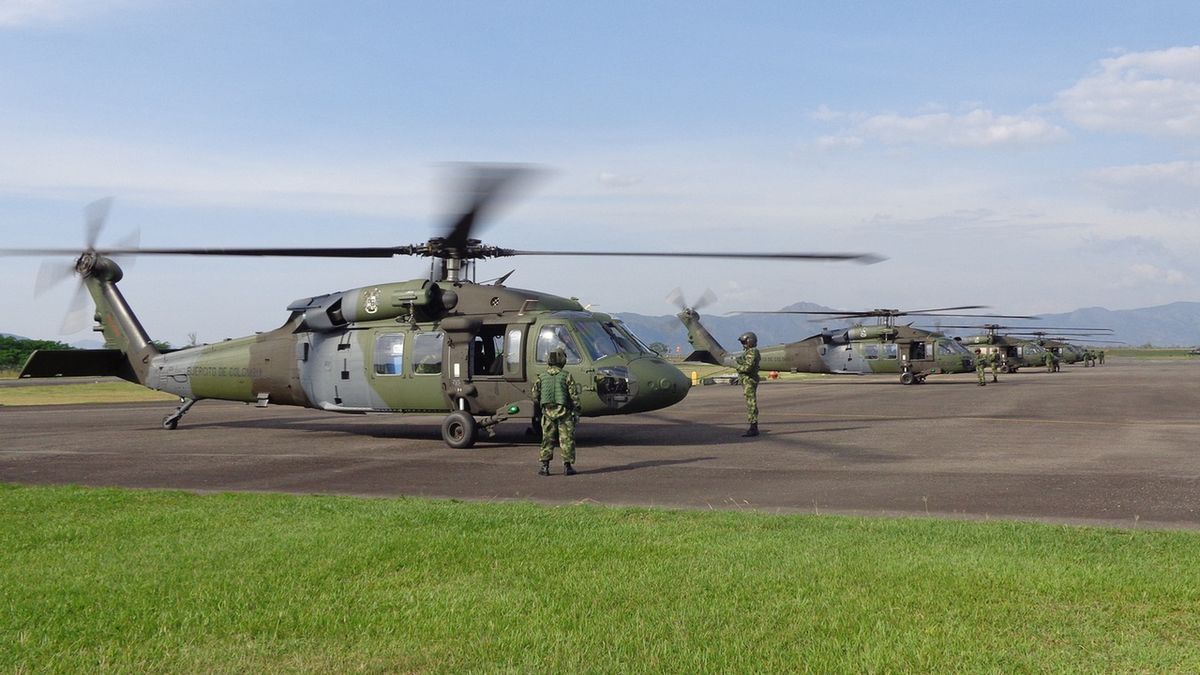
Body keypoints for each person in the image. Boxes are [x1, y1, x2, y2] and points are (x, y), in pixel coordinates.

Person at [531, 348, 582, 476]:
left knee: (547, 439)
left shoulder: (542, 377)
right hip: (564, 412)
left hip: (547, 413)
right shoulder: (566, 375)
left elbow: (535, 395)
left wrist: (543, 406)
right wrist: (577, 410)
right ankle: (567, 467)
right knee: (567, 439)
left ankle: (545, 467)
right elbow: (574, 396)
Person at [735, 331, 761, 436]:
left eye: (745, 342)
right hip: (747, 380)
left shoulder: (752, 352)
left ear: (750, 341)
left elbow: (747, 367)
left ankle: (753, 427)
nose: (743, 345)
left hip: (749, 380)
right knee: (750, 402)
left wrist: (737, 366)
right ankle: (753, 426)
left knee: (751, 403)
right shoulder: (749, 352)